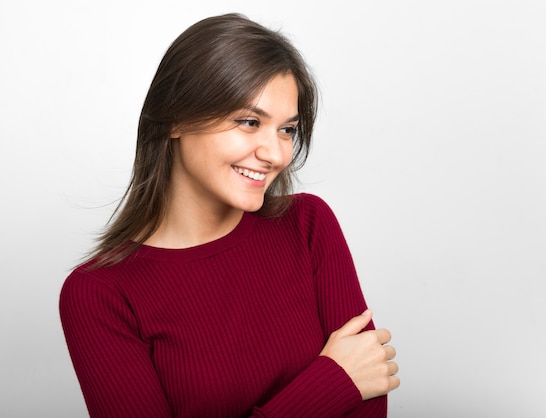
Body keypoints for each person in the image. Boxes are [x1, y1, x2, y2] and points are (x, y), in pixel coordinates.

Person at [59, 13, 399, 418]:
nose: (274, 154)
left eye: (287, 129)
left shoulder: (308, 226)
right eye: (249, 122)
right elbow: (353, 379)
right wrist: (331, 383)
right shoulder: (99, 295)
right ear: (175, 119)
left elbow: (370, 395)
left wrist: (347, 382)